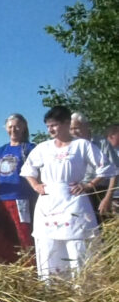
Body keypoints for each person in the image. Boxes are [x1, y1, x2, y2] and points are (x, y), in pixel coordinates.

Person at [21, 106, 115, 281]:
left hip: (74, 202)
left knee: (77, 244)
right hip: (47, 204)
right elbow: (28, 169)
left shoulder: (82, 145)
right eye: (48, 126)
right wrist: (36, 185)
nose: (50, 129)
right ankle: (52, 289)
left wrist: (89, 185)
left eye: (54, 125)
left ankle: (80, 291)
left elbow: (107, 167)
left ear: (66, 123)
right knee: (49, 246)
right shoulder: (43, 147)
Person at [0, 114, 37, 264]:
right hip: (2, 199)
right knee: (3, 237)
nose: (13, 129)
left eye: (17, 126)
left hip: (21, 198)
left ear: (24, 127)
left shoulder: (30, 148)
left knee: (24, 234)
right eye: (10, 127)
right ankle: (4, 266)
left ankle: (30, 267)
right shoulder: (0, 151)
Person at [70, 112, 119, 218]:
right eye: (71, 129)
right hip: (78, 193)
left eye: (76, 128)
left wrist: (108, 198)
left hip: (100, 192)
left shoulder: (102, 143)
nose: (74, 132)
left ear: (87, 126)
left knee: (102, 227)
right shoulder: (71, 146)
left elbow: (114, 172)